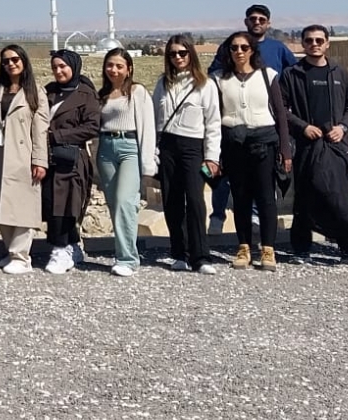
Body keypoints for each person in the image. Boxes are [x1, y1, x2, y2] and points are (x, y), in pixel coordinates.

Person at [282, 27, 348, 264]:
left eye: (319, 40)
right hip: (306, 146)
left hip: (336, 145)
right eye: (309, 40)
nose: (314, 44)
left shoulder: (339, 72)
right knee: (306, 195)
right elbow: (280, 109)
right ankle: (301, 248)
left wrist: (343, 128)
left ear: (327, 43)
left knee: (337, 194)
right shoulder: (292, 74)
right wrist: (303, 126)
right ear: (303, 44)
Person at [214, 32, 291, 270]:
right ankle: (243, 246)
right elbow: (215, 116)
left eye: (244, 47)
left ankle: (268, 248)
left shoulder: (268, 76)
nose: (239, 52)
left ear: (252, 50)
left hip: (264, 142)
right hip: (234, 143)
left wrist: (285, 150)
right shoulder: (219, 79)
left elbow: (280, 114)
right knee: (240, 196)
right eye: (234, 47)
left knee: (266, 197)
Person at [153, 35, 222, 274]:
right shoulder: (162, 84)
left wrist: (212, 157)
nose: (178, 57)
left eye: (182, 53)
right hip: (168, 146)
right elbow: (155, 120)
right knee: (172, 201)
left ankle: (201, 256)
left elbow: (213, 122)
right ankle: (178, 253)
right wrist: (154, 152)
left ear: (190, 54)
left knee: (195, 201)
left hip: (194, 146)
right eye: (173, 53)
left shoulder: (205, 84)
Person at [0, 46, 48, 274]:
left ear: (24, 61)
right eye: (6, 60)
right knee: (1, 206)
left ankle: (21, 256)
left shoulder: (35, 92)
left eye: (15, 59)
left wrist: (39, 159)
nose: (11, 64)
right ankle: (11, 252)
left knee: (23, 207)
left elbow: (40, 130)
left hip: (23, 156)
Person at [94, 48, 156, 277]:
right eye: (110, 65)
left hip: (130, 147)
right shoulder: (102, 95)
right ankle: (124, 252)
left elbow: (147, 127)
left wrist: (148, 164)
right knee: (114, 204)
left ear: (129, 68)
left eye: (119, 65)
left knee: (125, 202)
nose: (114, 69)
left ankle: (127, 259)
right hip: (105, 150)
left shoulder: (137, 92)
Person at [40, 49, 100, 274]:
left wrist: (58, 136)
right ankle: (73, 245)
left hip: (72, 159)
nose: (58, 71)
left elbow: (92, 126)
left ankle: (60, 248)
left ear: (74, 67)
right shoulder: (49, 91)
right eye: (55, 67)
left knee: (64, 205)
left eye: (63, 66)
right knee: (51, 201)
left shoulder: (86, 94)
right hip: (50, 157)